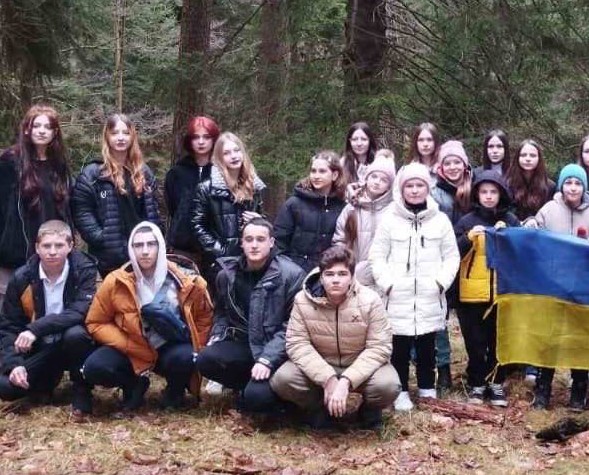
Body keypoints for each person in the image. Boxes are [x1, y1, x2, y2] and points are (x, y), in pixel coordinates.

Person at [0, 104, 74, 380]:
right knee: (6, 312)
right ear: (27, 129)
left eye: (48, 127)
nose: (41, 131)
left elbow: (67, 208)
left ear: (55, 132)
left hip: (51, 253)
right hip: (16, 254)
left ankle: (39, 369)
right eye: (36, 126)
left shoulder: (59, 165)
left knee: (45, 309)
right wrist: (4, 241)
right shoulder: (10, 162)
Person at [82, 223, 213, 412]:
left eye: (151, 244)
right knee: (95, 367)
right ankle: (133, 384)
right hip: (132, 348)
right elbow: (96, 322)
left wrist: (198, 349)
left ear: (160, 247)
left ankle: (174, 392)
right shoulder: (116, 281)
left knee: (186, 357)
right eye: (138, 245)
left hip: (170, 348)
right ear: (131, 249)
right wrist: (128, 344)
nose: (145, 251)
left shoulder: (186, 280)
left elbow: (203, 318)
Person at [270, 245, 401, 429]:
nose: (336, 280)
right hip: (321, 362)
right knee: (283, 379)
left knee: (388, 385)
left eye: (342, 274)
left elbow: (380, 347)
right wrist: (328, 378)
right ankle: (318, 407)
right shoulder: (302, 300)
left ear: (352, 277)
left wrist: (346, 380)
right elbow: (296, 343)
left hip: (358, 363)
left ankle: (369, 410)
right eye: (329, 274)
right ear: (321, 277)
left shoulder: (370, 300)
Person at [369, 163, 460, 412]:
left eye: (420, 185)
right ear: (402, 189)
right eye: (409, 185)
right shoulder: (390, 220)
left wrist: (440, 282)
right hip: (397, 297)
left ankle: (427, 388)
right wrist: (388, 284)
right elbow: (377, 256)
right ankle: (401, 391)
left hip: (430, 295)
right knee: (399, 347)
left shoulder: (440, 220)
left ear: (427, 189)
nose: (415, 190)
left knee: (427, 345)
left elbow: (451, 257)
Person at [524, 162, 589, 410]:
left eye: (577, 183)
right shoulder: (549, 210)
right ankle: (543, 390)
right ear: (561, 185)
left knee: (579, 339)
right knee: (549, 338)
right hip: (553, 284)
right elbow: (532, 237)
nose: (573, 188)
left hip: (583, 286)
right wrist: (529, 222)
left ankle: (579, 391)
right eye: (568, 183)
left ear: (584, 187)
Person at [195, 218, 303, 415]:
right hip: (245, 345)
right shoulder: (227, 275)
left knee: (256, 400)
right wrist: (217, 336)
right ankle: (247, 386)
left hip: (279, 350)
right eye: (249, 239)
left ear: (271, 242)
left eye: (260, 239)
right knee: (205, 359)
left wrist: (267, 359)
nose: (254, 245)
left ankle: (273, 398)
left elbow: (292, 326)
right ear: (242, 243)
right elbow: (222, 313)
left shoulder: (291, 275)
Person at [0, 220, 98, 415]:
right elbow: (8, 326)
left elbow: (80, 311)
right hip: (41, 347)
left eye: (59, 245)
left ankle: (82, 390)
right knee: (5, 388)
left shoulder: (84, 269)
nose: (52, 252)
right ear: (37, 248)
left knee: (75, 335)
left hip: (76, 343)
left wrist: (35, 329)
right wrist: (14, 364)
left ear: (70, 246)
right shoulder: (22, 277)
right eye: (47, 246)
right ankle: (45, 384)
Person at [454, 169, 519, 406]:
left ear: (501, 194)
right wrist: (469, 238)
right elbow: (452, 253)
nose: (489, 196)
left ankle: (497, 382)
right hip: (471, 295)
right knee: (475, 342)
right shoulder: (466, 221)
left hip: (502, 292)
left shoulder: (511, 221)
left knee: (498, 341)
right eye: (484, 192)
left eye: (493, 192)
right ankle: (477, 384)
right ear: (477, 194)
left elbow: (521, 252)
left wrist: (508, 236)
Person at [71, 114, 162, 276]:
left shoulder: (143, 172)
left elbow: (153, 210)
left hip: (143, 253)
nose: (120, 138)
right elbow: (82, 212)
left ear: (132, 136)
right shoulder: (93, 174)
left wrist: (153, 239)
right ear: (107, 136)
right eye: (115, 133)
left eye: (125, 133)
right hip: (110, 258)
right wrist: (102, 238)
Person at [191, 132, 267, 288]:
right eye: (227, 153)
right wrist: (220, 250)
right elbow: (197, 226)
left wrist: (259, 220)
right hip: (220, 264)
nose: (233, 156)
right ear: (219, 158)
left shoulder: (253, 186)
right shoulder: (206, 188)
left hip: (250, 260)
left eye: (237, 150)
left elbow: (262, 221)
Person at [430, 139, 472, 393]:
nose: (453, 167)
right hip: (441, 261)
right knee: (439, 318)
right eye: (448, 162)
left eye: (457, 162)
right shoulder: (434, 193)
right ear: (441, 167)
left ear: (464, 165)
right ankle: (443, 370)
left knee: (470, 320)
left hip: (471, 263)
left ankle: (475, 369)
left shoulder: (475, 189)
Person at [274, 150, 347, 276]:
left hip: (327, 274)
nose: (316, 176)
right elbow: (279, 242)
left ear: (335, 175)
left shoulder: (342, 207)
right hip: (293, 273)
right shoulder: (294, 204)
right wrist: (288, 271)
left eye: (322, 171)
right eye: (313, 171)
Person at [332, 154, 396, 293]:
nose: (377, 182)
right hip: (353, 277)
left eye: (384, 180)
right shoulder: (351, 208)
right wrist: (346, 267)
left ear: (389, 186)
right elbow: (340, 240)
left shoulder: (394, 211)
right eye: (374, 177)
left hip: (384, 280)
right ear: (366, 178)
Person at [164, 116, 220, 257]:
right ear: (189, 140)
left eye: (206, 137)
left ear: (214, 139)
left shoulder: (221, 172)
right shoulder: (176, 173)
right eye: (196, 137)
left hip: (215, 247)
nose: (201, 142)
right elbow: (173, 208)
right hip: (182, 247)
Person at [506, 139, 554, 219]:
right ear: (517, 158)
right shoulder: (508, 184)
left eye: (532, 155)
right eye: (523, 155)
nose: (528, 159)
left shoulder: (550, 186)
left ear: (539, 159)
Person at [340, 122, 378, 189]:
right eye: (354, 139)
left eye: (364, 139)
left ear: (370, 141)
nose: (359, 144)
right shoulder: (342, 163)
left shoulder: (378, 162)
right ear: (350, 141)